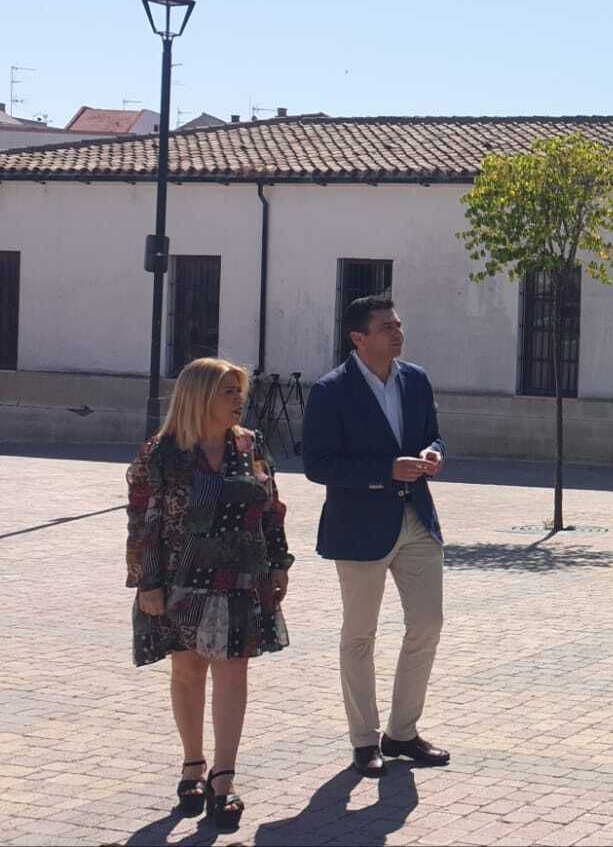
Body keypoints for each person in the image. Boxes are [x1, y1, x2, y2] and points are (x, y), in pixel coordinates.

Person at [127, 357, 293, 831]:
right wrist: (148, 582)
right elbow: (143, 523)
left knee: (234, 671)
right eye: (228, 391)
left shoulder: (250, 444)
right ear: (199, 397)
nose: (239, 399)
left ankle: (224, 779)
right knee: (187, 670)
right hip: (179, 579)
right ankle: (192, 766)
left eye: (240, 390)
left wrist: (279, 563)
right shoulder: (162, 453)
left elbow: (271, 508)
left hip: (241, 577)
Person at [302, 294, 450, 777]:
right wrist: (385, 470)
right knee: (359, 635)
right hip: (360, 527)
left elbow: (434, 433)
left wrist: (431, 452)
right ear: (358, 337)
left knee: (427, 623)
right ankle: (364, 741)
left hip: (417, 521)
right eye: (385, 326)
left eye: (398, 324)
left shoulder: (417, 379)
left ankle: (402, 733)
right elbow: (317, 465)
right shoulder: (331, 390)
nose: (397, 332)